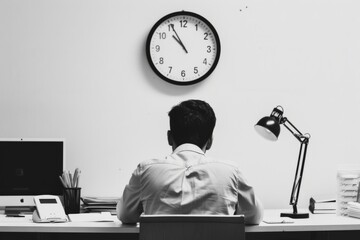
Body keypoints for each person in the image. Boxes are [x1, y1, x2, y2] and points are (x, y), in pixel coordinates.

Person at [117, 99, 263, 224]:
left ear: (169, 137)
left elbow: (125, 216)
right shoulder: (231, 172)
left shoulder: (146, 170)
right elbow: (254, 217)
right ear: (210, 141)